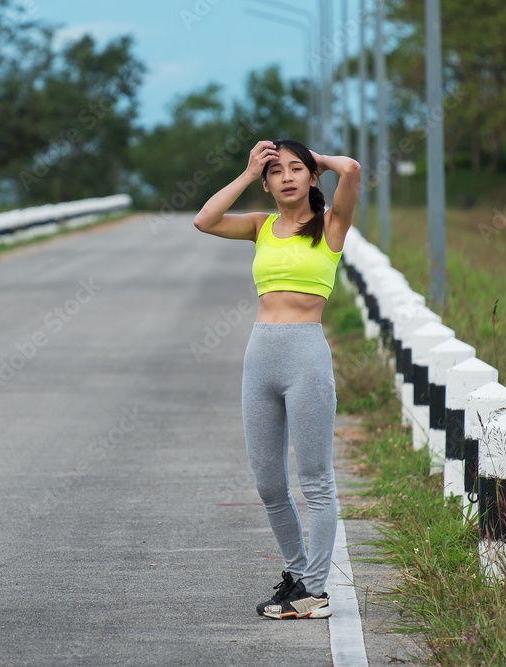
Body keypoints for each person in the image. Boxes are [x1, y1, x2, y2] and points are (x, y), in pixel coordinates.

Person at [193, 139, 360, 619]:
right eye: (277, 172)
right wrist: (247, 172)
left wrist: (317, 160)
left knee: (315, 480)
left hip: (306, 355)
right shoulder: (260, 227)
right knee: (268, 482)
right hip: (259, 356)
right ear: (267, 185)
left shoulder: (330, 227)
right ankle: (297, 577)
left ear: (311, 178)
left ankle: (314, 591)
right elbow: (204, 220)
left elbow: (351, 169)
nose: (287, 177)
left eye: (296, 169)